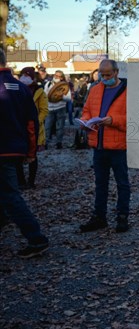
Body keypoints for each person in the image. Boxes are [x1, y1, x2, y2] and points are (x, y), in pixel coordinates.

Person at [0, 48, 50, 258]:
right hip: (14, 149)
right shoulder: (21, 88)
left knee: (10, 196)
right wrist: (30, 152)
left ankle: (36, 238)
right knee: (8, 194)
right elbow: (32, 123)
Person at [79, 59, 130, 233]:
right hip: (99, 145)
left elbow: (134, 118)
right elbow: (87, 110)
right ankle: (99, 217)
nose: (104, 77)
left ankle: (122, 217)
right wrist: (85, 122)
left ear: (116, 72)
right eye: (102, 74)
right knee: (100, 183)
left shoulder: (127, 91)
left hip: (118, 147)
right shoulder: (95, 89)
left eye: (108, 74)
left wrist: (113, 120)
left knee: (122, 183)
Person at [16, 67, 49, 189]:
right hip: (19, 126)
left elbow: (44, 110)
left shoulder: (39, 91)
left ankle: (31, 181)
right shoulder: (16, 88)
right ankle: (21, 181)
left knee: (33, 154)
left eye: (27, 75)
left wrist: (36, 121)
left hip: (34, 128)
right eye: (22, 75)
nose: (24, 77)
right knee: (18, 154)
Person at [44, 69, 71, 149]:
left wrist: (61, 96)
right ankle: (46, 143)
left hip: (60, 108)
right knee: (47, 127)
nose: (56, 77)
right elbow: (45, 96)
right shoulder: (48, 84)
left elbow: (69, 98)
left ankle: (59, 143)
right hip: (50, 109)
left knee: (59, 127)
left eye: (59, 76)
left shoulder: (65, 86)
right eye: (55, 75)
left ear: (62, 78)